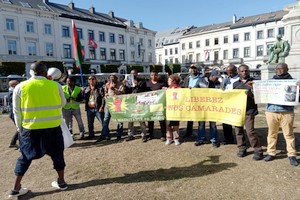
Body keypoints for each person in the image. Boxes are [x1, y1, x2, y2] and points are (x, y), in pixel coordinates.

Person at [8, 61, 67, 198]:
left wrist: (19, 128)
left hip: (30, 128)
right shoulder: (55, 85)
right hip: (53, 127)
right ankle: (62, 182)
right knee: (57, 154)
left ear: (31, 72)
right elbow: (63, 103)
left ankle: (16, 188)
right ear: (46, 73)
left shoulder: (21, 86)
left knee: (24, 157)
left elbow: (16, 111)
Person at [264, 63, 299, 166]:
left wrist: (299, 90)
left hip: (287, 111)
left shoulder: (294, 82)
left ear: (287, 69)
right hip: (271, 111)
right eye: (278, 68)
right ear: (275, 70)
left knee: (288, 134)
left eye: (282, 68)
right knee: (272, 133)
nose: (280, 70)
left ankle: (292, 155)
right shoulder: (270, 82)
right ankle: (271, 152)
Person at [233, 64, 263, 160]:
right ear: (238, 72)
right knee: (238, 130)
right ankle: (242, 148)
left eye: (246, 71)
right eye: (242, 71)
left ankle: (258, 150)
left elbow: (260, 97)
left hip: (249, 110)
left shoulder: (255, 83)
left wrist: (251, 95)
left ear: (249, 71)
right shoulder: (235, 84)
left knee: (250, 131)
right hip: (238, 111)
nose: (244, 72)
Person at [194, 70, 221, 148]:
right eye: (216, 77)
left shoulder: (218, 83)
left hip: (213, 107)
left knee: (213, 125)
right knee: (201, 124)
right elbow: (195, 89)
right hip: (202, 106)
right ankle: (200, 139)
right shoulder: (201, 80)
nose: (217, 79)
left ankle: (214, 140)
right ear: (212, 76)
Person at [97, 74, 125, 142]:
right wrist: (106, 94)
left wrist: (114, 90)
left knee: (119, 120)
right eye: (110, 78)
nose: (112, 79)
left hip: (118, 104)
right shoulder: (108, 84)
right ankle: (104, 135)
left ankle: (119, 135)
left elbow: (122, 93)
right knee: (106, 119)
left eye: (113, 77)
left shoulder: (120, 84)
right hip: (109, 104)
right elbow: (105, 92)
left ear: (116, 78)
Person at [124, 69, 148, 142]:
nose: (133, 75)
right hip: (131, 102)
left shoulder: (142, 81)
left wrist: (137, 85)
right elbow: (126, 92)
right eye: (131, 73)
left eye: (134, 73)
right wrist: (124, 85)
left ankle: (144, 135)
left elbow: (144, 90)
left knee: (141, 119)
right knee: (130, 119)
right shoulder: (128, 81)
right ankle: (130, 135)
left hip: (139, 102)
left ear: (137, 74)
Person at [221, 65, 240, 145]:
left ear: (236, 71)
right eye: (228, 73)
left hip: (237, 103)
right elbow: (222, 89)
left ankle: (240, 141)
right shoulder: (226, 79)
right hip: (227, 103)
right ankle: (228, 139)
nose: (229, 75)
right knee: (225, 122)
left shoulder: (240, 79)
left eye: (231, 73)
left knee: (237, 123)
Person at [146, 70, 167, 141]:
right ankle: (151, 134)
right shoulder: (147, 83)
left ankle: (163, 135)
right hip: (150, 104)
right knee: (150, 120)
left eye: (155, 75)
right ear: (150, 76)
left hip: (159, 104)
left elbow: (167, 91)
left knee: (161, 120)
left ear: (157, 75)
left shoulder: (162, 83)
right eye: (152, 75)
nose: (154, 76)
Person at [182, 64, 201, 138]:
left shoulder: (201, 78)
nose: (193, 70)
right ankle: (188, 132)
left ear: (197, 70)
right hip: (189, 100)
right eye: (191, 68)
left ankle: (201, 134)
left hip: (198, 100)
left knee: (200, 118)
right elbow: (183, 87)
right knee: (189, 118)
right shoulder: (187, 78)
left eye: (195, 68)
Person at [84, 75, 105, 140]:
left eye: (93, 79)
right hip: (89, 108)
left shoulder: (100, 88)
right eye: (89, 79)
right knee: (90, 123)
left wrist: (102, 107)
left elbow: (103, 98)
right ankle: (91, 135)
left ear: (96, 80)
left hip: (97, 108)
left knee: (102, 122)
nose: (91, 80)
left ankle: (105, 134)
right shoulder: (86, 89)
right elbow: (83, 98)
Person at [165, 74, 181, 145]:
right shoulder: (168, 89)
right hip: (168, 109)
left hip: (176, 109)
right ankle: (169, 138)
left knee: (175, 125)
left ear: (174, 81)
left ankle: (176, 138)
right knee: (168, 125)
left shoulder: (179, 89)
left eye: (169, 80)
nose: (168, 81)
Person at [8, 80, 19, 149]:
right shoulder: (12, 93)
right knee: (21, 129)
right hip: (14, 113)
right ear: (14, 85)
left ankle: (13, 143)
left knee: (21, 129)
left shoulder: (12, 92)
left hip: (13, 113)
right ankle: (13, 142)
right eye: (17, 84)